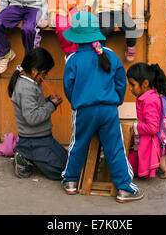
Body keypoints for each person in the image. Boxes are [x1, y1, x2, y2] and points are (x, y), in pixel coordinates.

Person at [61, 11, 144, 203]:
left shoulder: (72, 59)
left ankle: (71, 181)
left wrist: (77, 101)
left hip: (84, 111)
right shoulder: (111, 55)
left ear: (76, 37)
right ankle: (124, 188)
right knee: (114, 148)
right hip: (108, 110)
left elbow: (68, 87)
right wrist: (115, 99)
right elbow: (121, 82)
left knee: (78, 144)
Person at [8, 47, 67, 180]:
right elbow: (32, 118)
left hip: (44, 137)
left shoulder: (32, 83)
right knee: (61, 172)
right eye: (44, 73)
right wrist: (52, 105)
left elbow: (35, 105)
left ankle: (29, 155)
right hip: (33, 141)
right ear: (34, 70)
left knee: (68, 162)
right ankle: (24, 156)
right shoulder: (26, 88)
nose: (45, 77)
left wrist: (48, 100)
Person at [127, 62, 166, 179]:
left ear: (145, 84)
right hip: (143, 137)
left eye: (132, 85)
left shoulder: (150, 101)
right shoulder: (146, 98)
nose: (130, 88)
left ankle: (162, 162)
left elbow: (152, 128)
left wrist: (134, 127)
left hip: (150, 140)